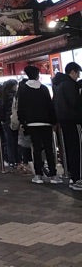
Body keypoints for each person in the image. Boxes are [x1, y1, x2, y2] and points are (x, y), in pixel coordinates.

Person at [17, 65, 60, 185]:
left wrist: (23, 122)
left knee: (36, 149)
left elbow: (21, 108)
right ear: (37, 75)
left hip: (31, 123)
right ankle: (53, 175)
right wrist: (53, 121)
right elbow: (50, 106)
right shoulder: (44, 89)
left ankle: (38, 175)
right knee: (49, 149)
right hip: (46, 123)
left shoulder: (23, 89)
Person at [52, 61, 82, 190]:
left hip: (64, 122)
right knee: (77, 151)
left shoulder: (59, 85)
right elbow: (75, 103)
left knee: (71, 149)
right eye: (78, 73)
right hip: (74, 121)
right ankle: (78, 179)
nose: (78, 76)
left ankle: (73, 176)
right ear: (73, 72)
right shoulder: (70, 85)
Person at [0, 79, 19, 170]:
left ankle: (10, 160)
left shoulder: (2, 95)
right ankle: (16, 160)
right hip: (12, 121)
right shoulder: (13, 96)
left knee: (8, 141)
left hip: (5, 121)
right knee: (15, 141)